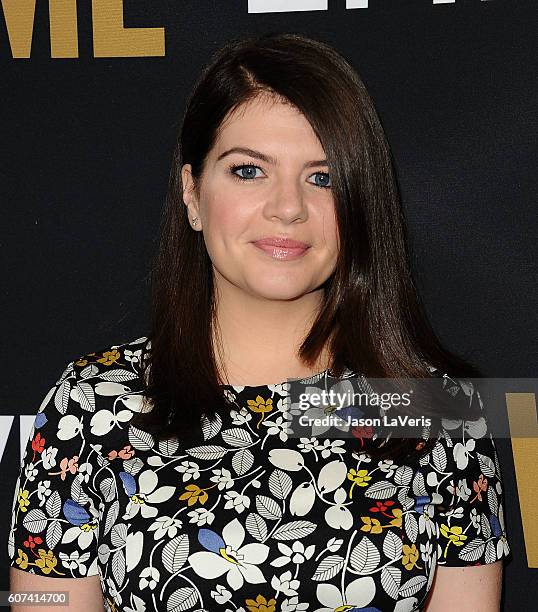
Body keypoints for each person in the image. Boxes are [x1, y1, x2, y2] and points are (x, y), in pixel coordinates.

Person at [8, 33, 510, 611]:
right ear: (191, 191)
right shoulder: (90, 409)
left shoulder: (437, 414)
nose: (288, 206)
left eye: (322, 178)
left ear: (360, 203)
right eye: (249, 171)